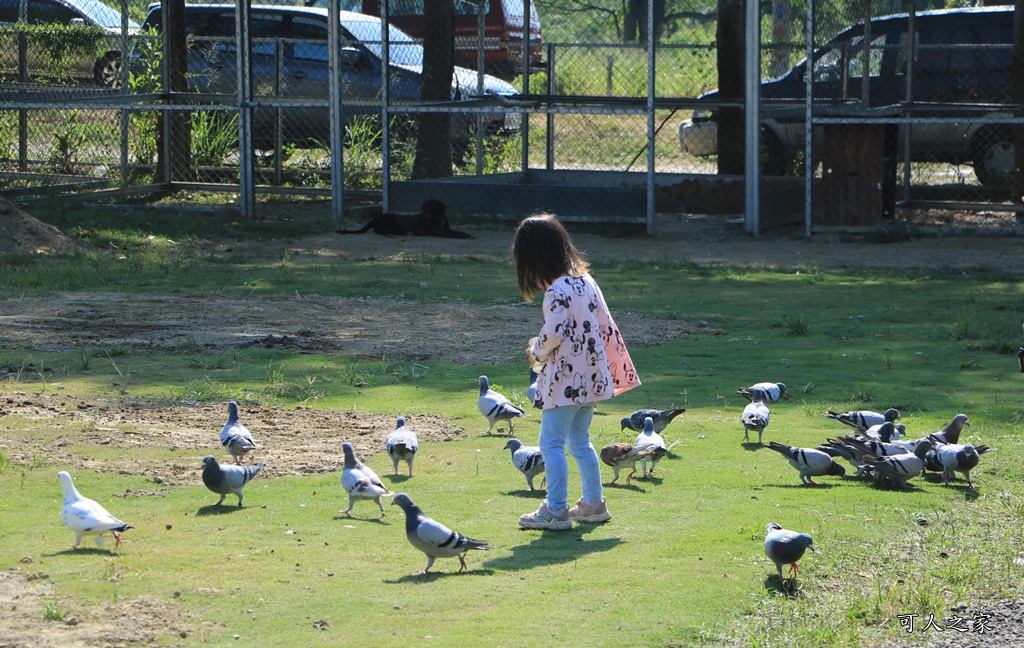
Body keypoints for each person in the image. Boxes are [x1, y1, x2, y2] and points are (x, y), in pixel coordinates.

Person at [511, 214, 640, 530]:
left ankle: (555, 509)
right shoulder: (587, 281)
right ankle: (594, 503)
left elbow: (553, 332)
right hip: (592, 381)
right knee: (579, 441)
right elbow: (604, 325)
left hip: (565, 382)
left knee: (551, 443)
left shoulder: (557, 290)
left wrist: (536, 352)